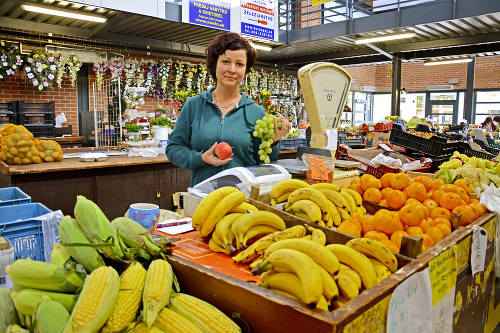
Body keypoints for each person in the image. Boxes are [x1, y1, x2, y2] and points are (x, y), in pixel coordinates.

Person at [166, 32, 291, 187]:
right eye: (226, 61)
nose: (232, 69)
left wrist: (273, 142)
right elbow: (173, 148)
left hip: (243, 198)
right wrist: (200, 158)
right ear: (214, 64)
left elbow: (266, 161)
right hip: (204, 196)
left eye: (239, 64)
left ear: (246, 70)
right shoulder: (194, 105)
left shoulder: (255, 111)